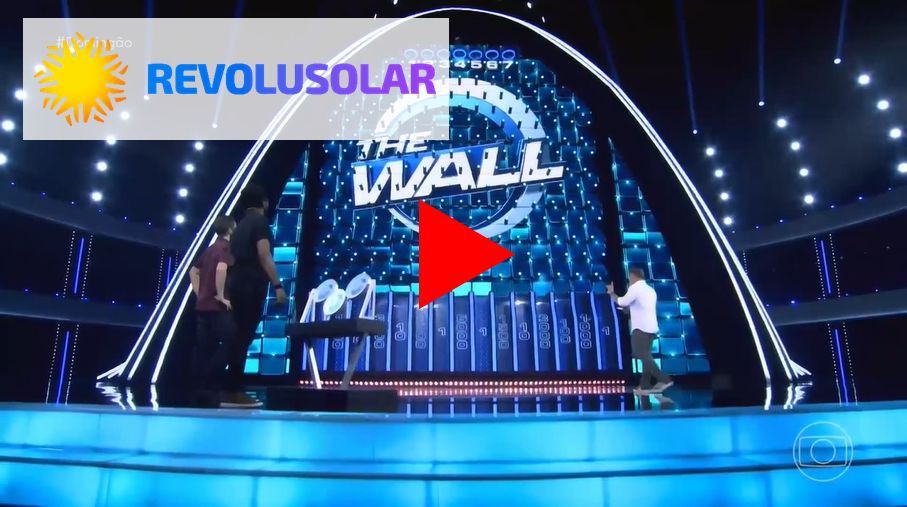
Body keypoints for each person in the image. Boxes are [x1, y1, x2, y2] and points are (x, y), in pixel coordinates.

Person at [225, 183, 287, 408]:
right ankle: (234, 391)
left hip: (235, 285)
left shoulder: (239, 226)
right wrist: (278, 285)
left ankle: (230, 388)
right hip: (250, 287)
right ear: (264, 202)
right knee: (243, 338)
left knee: (237, 337)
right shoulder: (260, 223)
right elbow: (264, 254)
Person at [188, 215, 236, 404]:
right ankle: (212, 382)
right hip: (217, 307)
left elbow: (193, 271)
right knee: (230, 342)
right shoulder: (226, 248)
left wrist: (199, 292)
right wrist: (220, 295)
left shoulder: (210, 249)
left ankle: (199, 387)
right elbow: (221, 269)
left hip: (202, 305)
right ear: (231, 229)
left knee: (204, 346)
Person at [607, 267, 673, 395]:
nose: (629, 280)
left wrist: (611, 293)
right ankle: (645, 385)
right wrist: (628, 311)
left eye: (629, 277)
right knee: (646, 356)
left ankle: (664, 379)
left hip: (640, 328)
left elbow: (622, 302)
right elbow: (640, 307)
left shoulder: (635, 288)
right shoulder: (650, 290)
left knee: (641, 354)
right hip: (651, 328)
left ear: (633, 276)